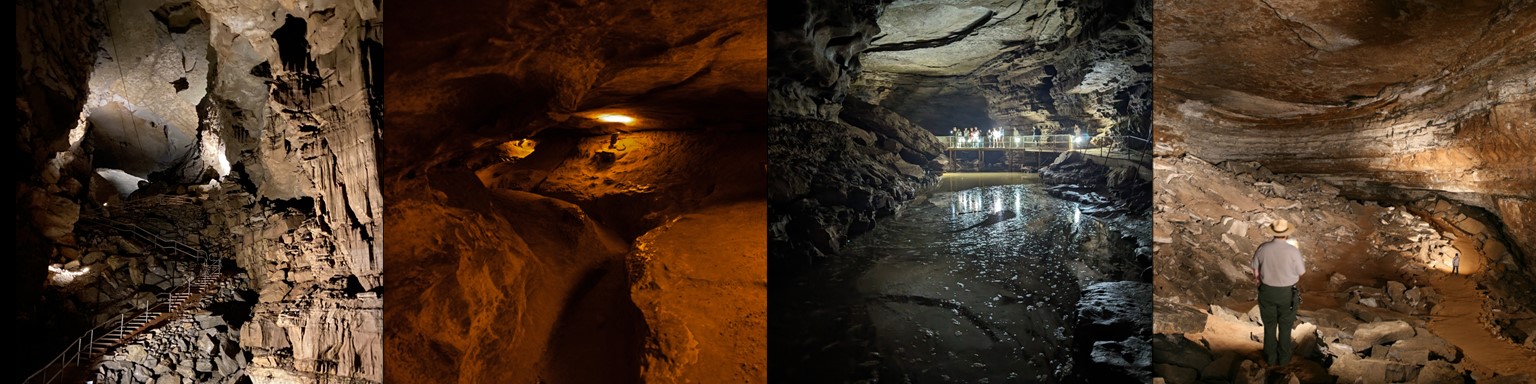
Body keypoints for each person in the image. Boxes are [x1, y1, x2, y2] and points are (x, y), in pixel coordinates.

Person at [1253, 219, 1304, 368]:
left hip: (1267, 291)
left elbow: (1255, 272)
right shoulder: (1292, 251)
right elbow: (1301, 272)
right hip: (1287, 293)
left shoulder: (1263, 248)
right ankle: (1283, 360)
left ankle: (1270, 358)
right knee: (1285, 326)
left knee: (1269, 326)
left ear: (1273, 233)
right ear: (1287, 234)